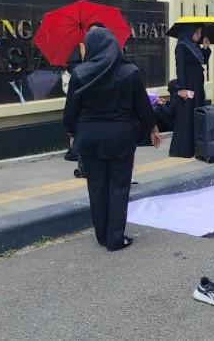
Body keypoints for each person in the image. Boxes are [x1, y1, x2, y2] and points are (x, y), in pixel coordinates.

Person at [63, 27, 161, 250]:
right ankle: (115, 238)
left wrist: (71, 132)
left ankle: (101, 235)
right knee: (119, 186)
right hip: (120, 136)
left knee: (96, 186)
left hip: (90, 137)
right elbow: (142, 106)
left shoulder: (80, 73)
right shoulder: (130, 72)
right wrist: (152, 128)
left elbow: (71, 111)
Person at [169, 25, 211, 158]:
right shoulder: (182, 46)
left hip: (197, 86)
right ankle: (183, 149)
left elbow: (203, 61)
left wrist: (205, 48)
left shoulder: (194, 46)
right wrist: (181, 88)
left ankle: (196, 147)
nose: (199, 36)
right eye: (197, 32)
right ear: (189, 32)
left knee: (197, 114)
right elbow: (180, 68)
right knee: (187, 116)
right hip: (188, 85)